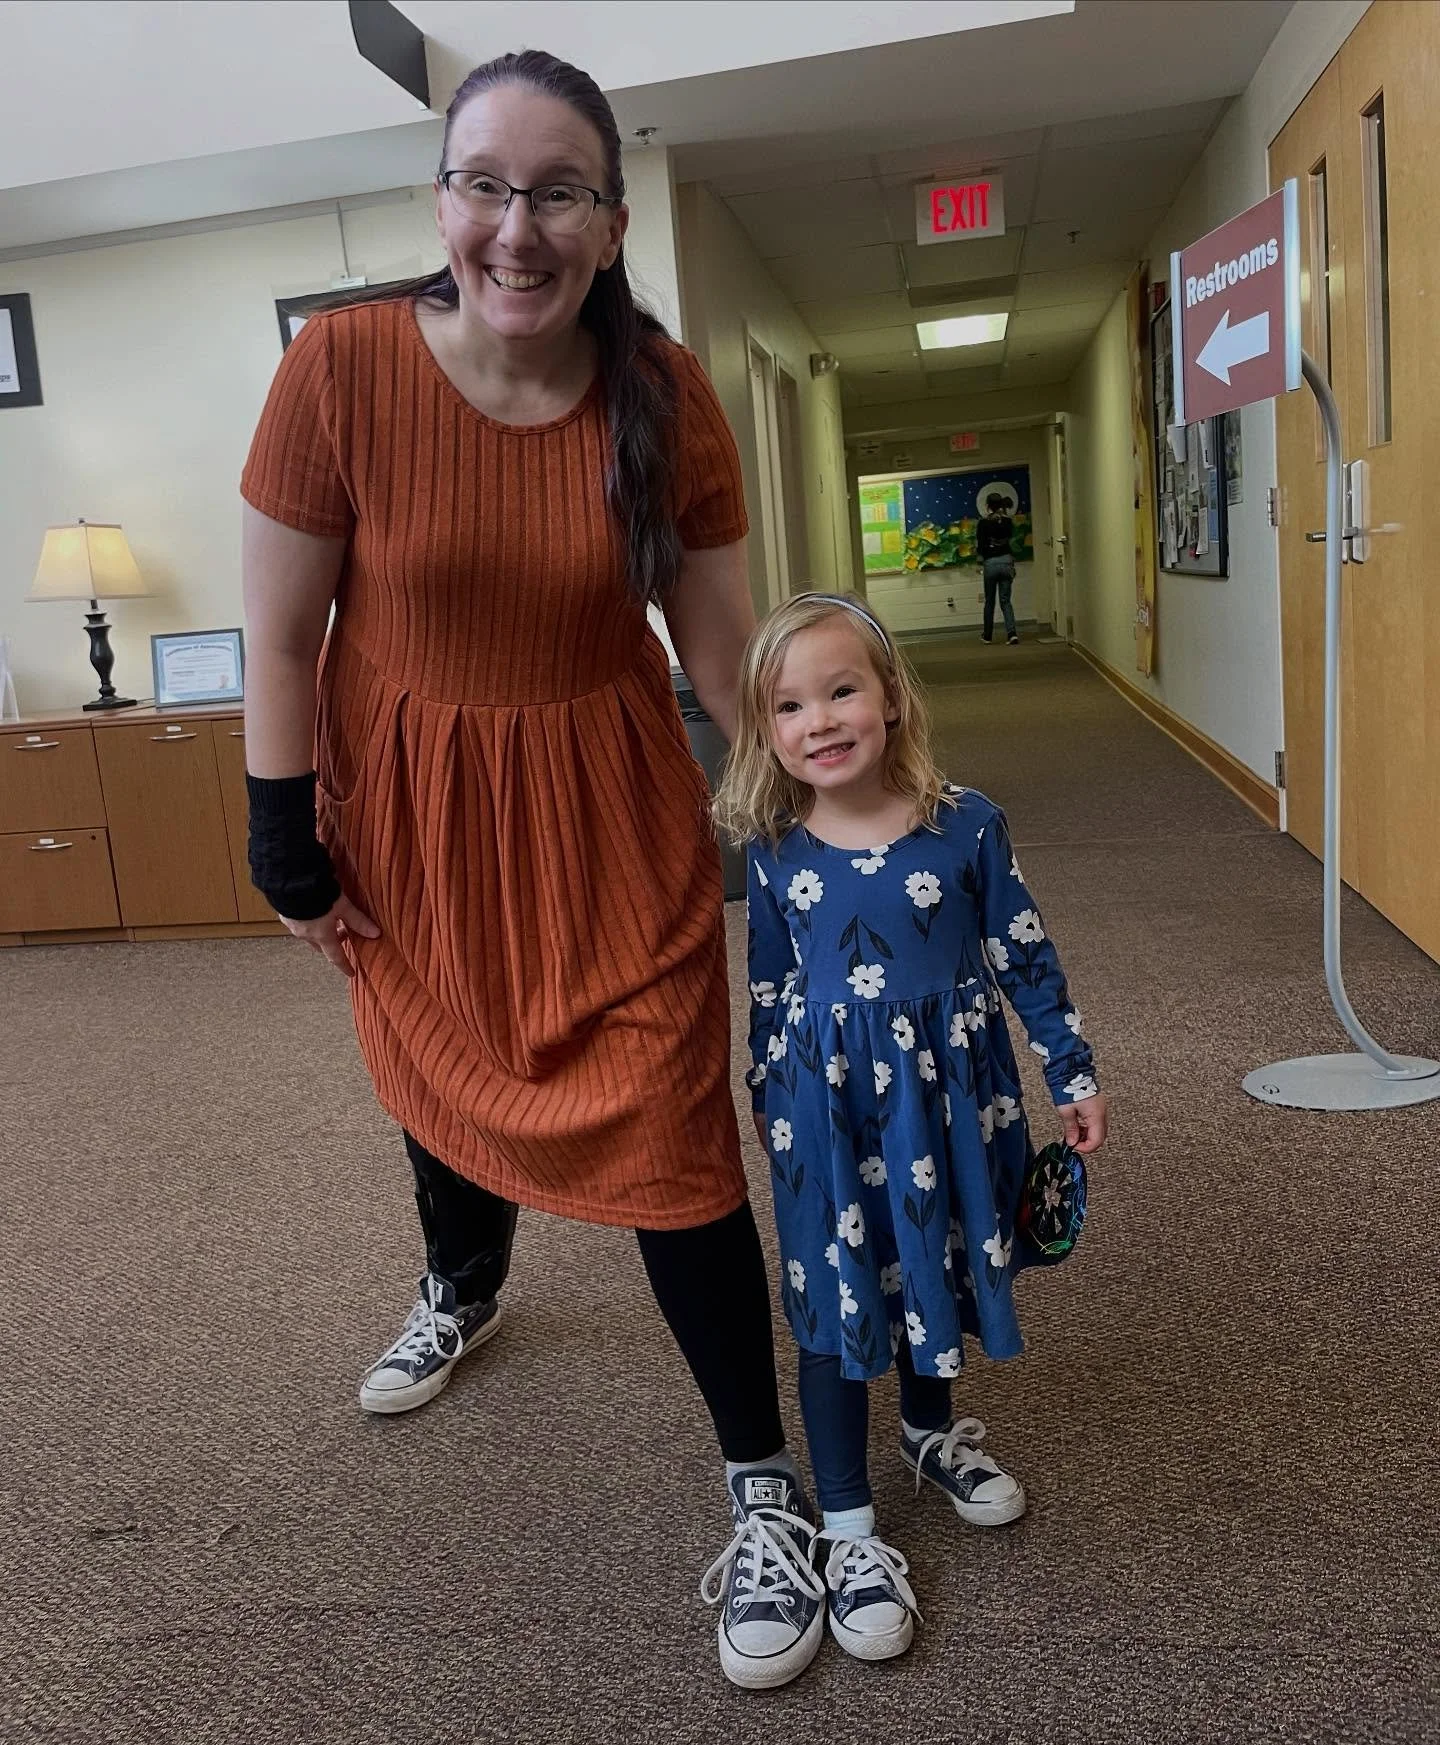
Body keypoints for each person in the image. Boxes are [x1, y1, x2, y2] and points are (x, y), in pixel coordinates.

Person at [240, 49, 825, 1691]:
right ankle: (462, 1282)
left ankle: (760, 1480)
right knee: (438, 1073)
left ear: (609, 217)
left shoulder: (665, 390)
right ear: (443, 201)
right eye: (484, 184)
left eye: (556, 189)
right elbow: (283, 634)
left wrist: (834, 802)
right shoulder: (339, 372)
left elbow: (720, 656)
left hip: (607, 801)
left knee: (669, 1130)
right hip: (414, 808)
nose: (517, 225)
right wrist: (286, 841)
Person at [715, 592, 1107, 1663]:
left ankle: (930, 1431)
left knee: (930, 1252)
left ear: (890, 694)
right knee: (836, 1288)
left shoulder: (966, 821)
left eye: (842, 688)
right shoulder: (775, 845)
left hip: (950, 1092)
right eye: (790, 705)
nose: (821, 719)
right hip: (825, 1110)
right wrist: (762, 1082)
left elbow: (1025, 949)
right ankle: (846, 1531)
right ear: (765, 730)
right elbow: (769, 975)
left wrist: (1069, 1065)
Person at [977, 491, 1019, 645]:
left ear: (988, 506)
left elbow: (981, 545)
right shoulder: (1008, 522)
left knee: (990, 601)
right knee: (1006, 601)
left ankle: (987, 635)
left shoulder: (983, 523)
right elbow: (1009, 538)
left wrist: (980, 559)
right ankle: (1012, 633)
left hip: (991, 564)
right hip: (1006, 562)